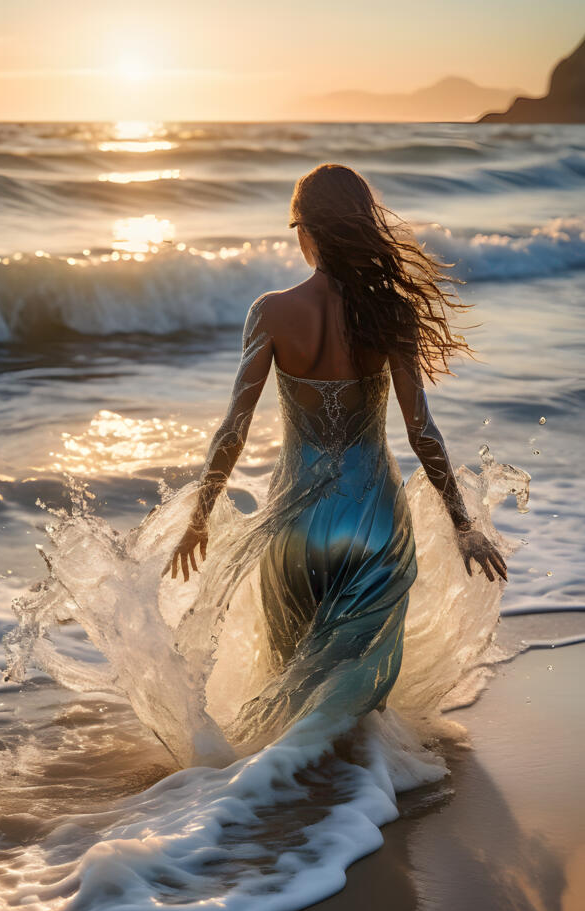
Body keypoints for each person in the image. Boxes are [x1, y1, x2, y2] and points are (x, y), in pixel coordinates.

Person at [165, 164, 506, 751]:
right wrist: (462, 523)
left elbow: (233, 430)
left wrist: (200, 517)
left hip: (296, 523)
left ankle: (280, 783)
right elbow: (421, 431)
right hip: (373, 518)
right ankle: (357, 779)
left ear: (306, 231)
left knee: (292, 679)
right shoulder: (391, 312)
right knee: (353, 685)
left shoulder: (271, 311)